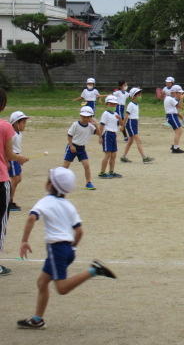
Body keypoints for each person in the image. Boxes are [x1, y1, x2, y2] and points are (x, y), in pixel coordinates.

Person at [16, 167, 116, 330]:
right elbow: (79, 231)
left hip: (56, 250)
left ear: (50, 185)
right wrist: (71, 249)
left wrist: (24, 241)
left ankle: (94, 270)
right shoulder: (69, 205)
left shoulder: (45, 201)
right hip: (68, 249)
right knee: (42, 282)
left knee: (61, 288)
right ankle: (37, 319)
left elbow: (31, 218)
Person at [0, 88, 29, 276]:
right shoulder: (5, 127)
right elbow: (10, 154)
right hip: (0, 179)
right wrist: (20, 159)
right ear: (3, 105)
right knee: (0, 222)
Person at [63, 106, 98, 190]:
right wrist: (71, 146)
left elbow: (99, 133)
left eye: (88, 117)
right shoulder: (75, 124)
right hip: (72, 147)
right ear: (81, 116)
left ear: (91, 117)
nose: (86, 118)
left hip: (81, 149)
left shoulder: (90, 126)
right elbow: (69, 135)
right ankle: (59, 181)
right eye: (84, 116)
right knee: (66, 166)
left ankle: (88, 183)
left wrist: (96, 124)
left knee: (86, 165)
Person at [120, 88, 154, 163]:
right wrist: (123, 126)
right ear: (133, 96)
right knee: (138, 140)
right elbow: (126, 116)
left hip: (134, 123)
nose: (140, 96)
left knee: (130, 141)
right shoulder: (131, 104)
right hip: (131, 123)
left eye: (140, 94)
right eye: (138, 95)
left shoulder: (136, 104)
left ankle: (123, 157)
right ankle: (144, 158)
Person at [8, 111, 30, 211]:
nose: (25, 125)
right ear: (16, 123)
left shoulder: (19, 133)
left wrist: (20, 158)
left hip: (16, 158)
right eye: (23, 122)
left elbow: (16, 149)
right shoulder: (12, 134)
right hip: (12, 158)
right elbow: (7, 149)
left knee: (18, 179)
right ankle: (9, 202)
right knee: (16, 179)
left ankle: (9, 200)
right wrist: (9, 160)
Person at [97, 95, 122, 179]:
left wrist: (120, 119)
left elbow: (121, 124)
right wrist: (100, 136)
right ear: (106, 104)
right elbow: (101, 126)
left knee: (114, 155)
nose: (113, 106)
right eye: (111, 104)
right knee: (107, 154)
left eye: (114, 104)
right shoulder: (105, 114)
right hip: (107, 134)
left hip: (113, 134)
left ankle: (111, 171)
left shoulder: (116, 114)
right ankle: (102, 173)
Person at [165, 85, 184, 153]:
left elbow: (176, 107)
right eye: (179, 93)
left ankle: (175, 146)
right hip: (171, 116)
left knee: (178, 131)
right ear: (175, 92)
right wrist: (182, 98)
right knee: (179, 131)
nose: (180, 94)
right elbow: (181, 107)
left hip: (171, 116)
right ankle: (175, 148)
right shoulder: (170, 99)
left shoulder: (169, 98)